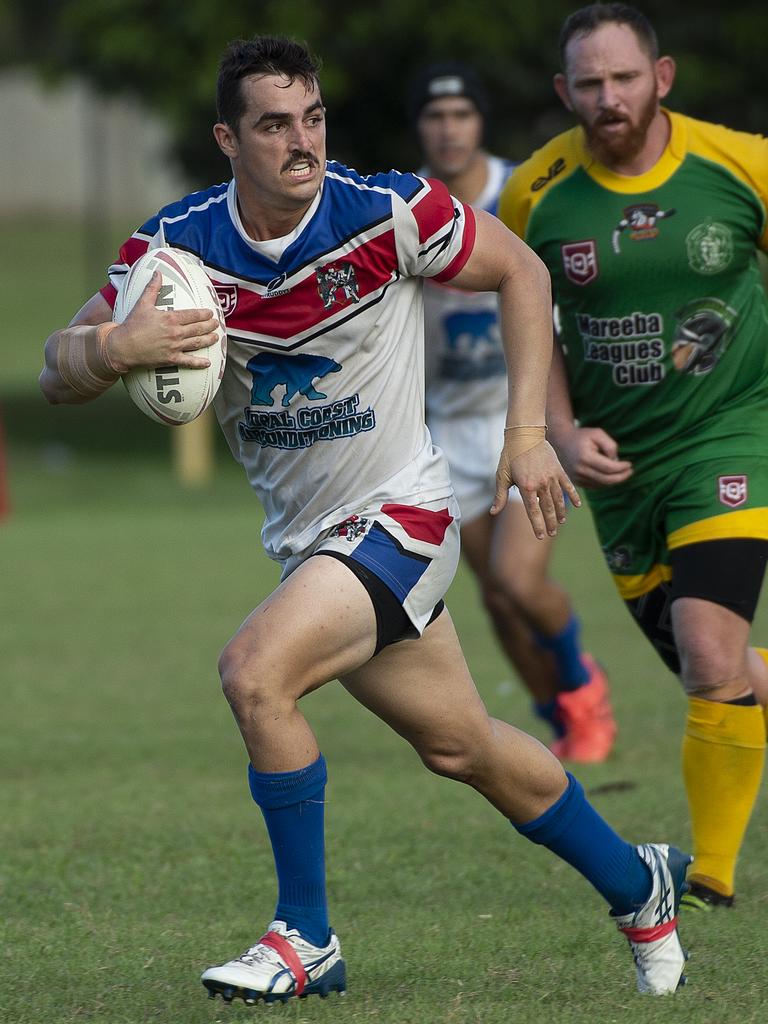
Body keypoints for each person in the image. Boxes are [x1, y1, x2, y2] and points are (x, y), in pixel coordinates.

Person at [40, 35, 692, 1002]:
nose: (301, 143)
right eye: (273, 125)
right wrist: (116, 344)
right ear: (227, 138)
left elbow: (522, 273)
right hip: (312, 543)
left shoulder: (385, 211)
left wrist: (526, 434)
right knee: (462, 745)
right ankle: (639, 883)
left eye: (313, 119)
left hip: (402, 515)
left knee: (255, 675)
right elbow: (57, 366)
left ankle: (305, 937)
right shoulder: (173, 249)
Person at [499, 2, 768, 912]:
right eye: (590, 82)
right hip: (618, 469)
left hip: (732, 431)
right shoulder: (535, 194)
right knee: (720, 674)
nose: (608, 97)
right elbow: (526, 328)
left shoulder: (743, 164)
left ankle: (714, 874)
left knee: (707, 648)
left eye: (624, 77)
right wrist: (560, 435)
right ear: (563, 91)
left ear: (663, 77)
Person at [410, 62, 616, 762]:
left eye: (461, 115)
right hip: (447, 429)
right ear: (422, 129)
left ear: (479, 124)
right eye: (435, 118)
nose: (448, 129)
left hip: (526, 417)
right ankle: (557, 714)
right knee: (495, 600)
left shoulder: (518, 193)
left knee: (519, 582)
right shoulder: (408, 210)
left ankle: (583, 684)